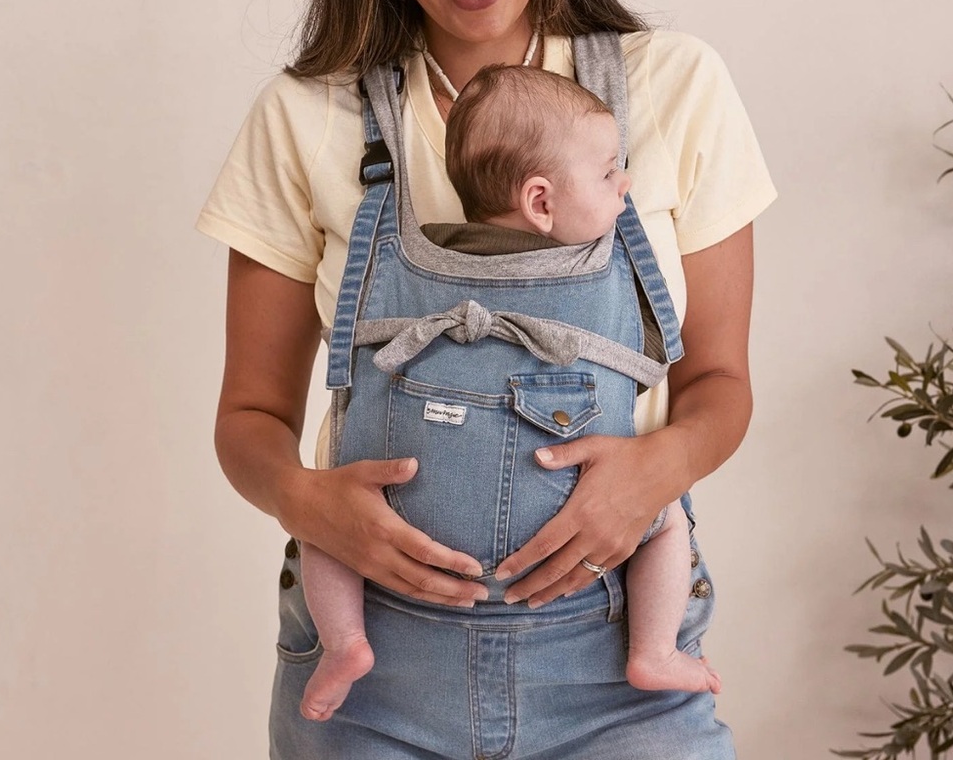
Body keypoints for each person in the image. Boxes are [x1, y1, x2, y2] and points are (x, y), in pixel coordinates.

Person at [197, 0, 776, 756]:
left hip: (616, 663)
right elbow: (248, 419)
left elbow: (719, 383)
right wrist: (309, 502)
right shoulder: (306, 117)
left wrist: (649, 477)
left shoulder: (672, 88)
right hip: (372, 663)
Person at [297, 65, 722, 721]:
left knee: (321, 524)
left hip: (399, 550)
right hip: (559, 598)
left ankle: (345, 642)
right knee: (664, 520)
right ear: (541, 204)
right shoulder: (599, 270)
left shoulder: (402, 251)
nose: (625, 183)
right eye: (610, 173)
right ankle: (654, 649)